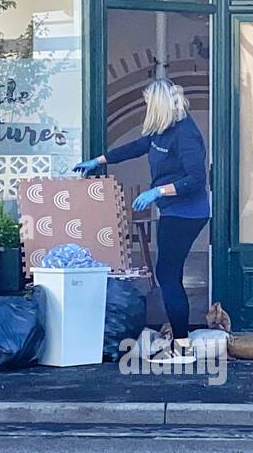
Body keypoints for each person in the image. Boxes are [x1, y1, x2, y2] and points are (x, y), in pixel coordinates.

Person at [73, 78, 209, 363]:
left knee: (168, 276)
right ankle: (180, 341)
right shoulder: (161, 132)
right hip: (174, 210)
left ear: (158, 105)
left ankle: (182, 348)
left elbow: (196, 180)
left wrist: (156, 191)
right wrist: (98, 161)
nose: (145, 108)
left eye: (148, 104)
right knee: (169, 274)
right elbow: (134, 147)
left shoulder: (184, 133)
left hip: (186, 213)